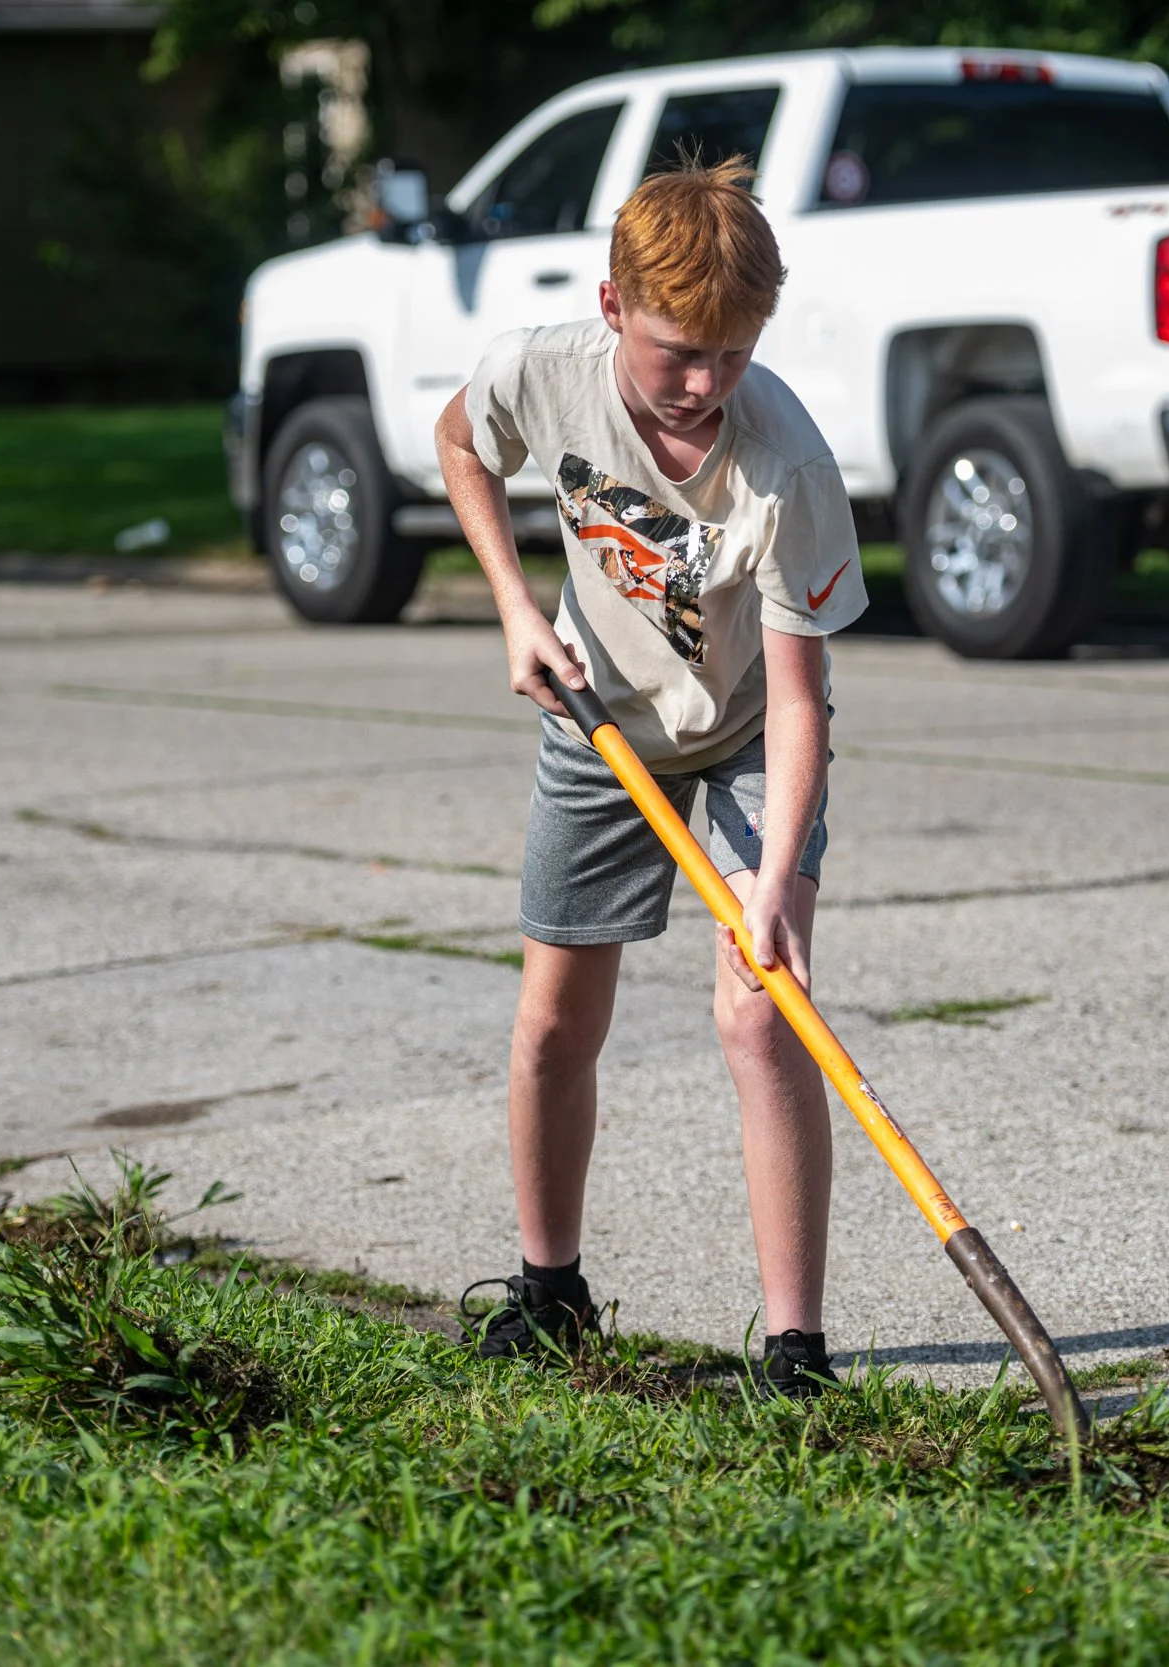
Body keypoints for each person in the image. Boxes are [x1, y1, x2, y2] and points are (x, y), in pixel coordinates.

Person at [432, 157, 868, 1399]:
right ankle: (550, 1287)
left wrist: (775, 880)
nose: (704, 385)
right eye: (679, 351)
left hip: (739, 735)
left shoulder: (784, 462)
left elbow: (793, 701)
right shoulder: (544, 369)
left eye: (731, 355)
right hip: (597, 717)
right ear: (614, 304)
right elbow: (461, 442)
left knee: (759, 1009)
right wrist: (516, 609)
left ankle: (796, 1351)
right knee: (555, 1021)